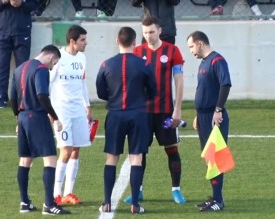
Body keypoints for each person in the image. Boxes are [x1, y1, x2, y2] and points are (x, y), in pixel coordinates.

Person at [123, 16, 186, 204]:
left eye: (151, 32)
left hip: (166, 111)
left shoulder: (172, 51)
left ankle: (176, 190)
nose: (148, 36)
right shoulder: (136, 52)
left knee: (171, 149)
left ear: (159, 30)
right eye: (144, 33)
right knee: (140, 151)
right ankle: (138, 190)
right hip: (142, 113)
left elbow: (179, 81)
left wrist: (177, 109)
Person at [96, 26, 156, 214]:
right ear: (135, 43)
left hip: (115, 114)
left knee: (112, 157)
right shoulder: (144, 64)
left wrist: (114, 98)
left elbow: (100, 92)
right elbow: (153, 91)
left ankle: (107, 201)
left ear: (117, 41)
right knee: (136, 157)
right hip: (138, 115)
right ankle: (135, 205)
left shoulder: (106, 64)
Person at [10, 45, 70, 215]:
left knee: (25, 160)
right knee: (50, 158)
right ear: (51, 57)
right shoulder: (42, 69)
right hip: (36, 117)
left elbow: (13, 97)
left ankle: (24, 203)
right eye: (55, 63)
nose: (53, 67)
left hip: (22, 118)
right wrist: (55, 118)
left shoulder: (20, 68)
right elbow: (42, 95)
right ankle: (49, 204)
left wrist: (17, 118)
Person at [186, 31, 232, 212]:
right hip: (204, 116)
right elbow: (204, 89)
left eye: (191, 46)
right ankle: (215, 197)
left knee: (216, 158)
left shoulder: (217, 60)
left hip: (214, 117)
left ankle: (218, 200)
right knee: (209, 158)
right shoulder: (204, 63)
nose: (190, 51)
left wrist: (218, 110)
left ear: (200, 43)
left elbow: (225, 84)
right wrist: (199, 113)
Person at [50, 25, 92, 206]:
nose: (86, 43)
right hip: (63, 112)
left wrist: (87, 106)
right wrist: (50, 111)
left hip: (78, 111)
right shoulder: (58, 59)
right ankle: (56, 194)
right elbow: (49, 84)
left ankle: (69, 192)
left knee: (76, 150)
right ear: (72, 41)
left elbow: (82, 83)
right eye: (83, 40)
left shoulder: (82, 58)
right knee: (65, 151)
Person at [0, 0, 39, 108]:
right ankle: (1, 97)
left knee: (23, 66)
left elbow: (35, 5)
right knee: (2, 65)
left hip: (22, 31)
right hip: (2, 31)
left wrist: (21, 4)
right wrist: (2, 2)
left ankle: (23, 97)